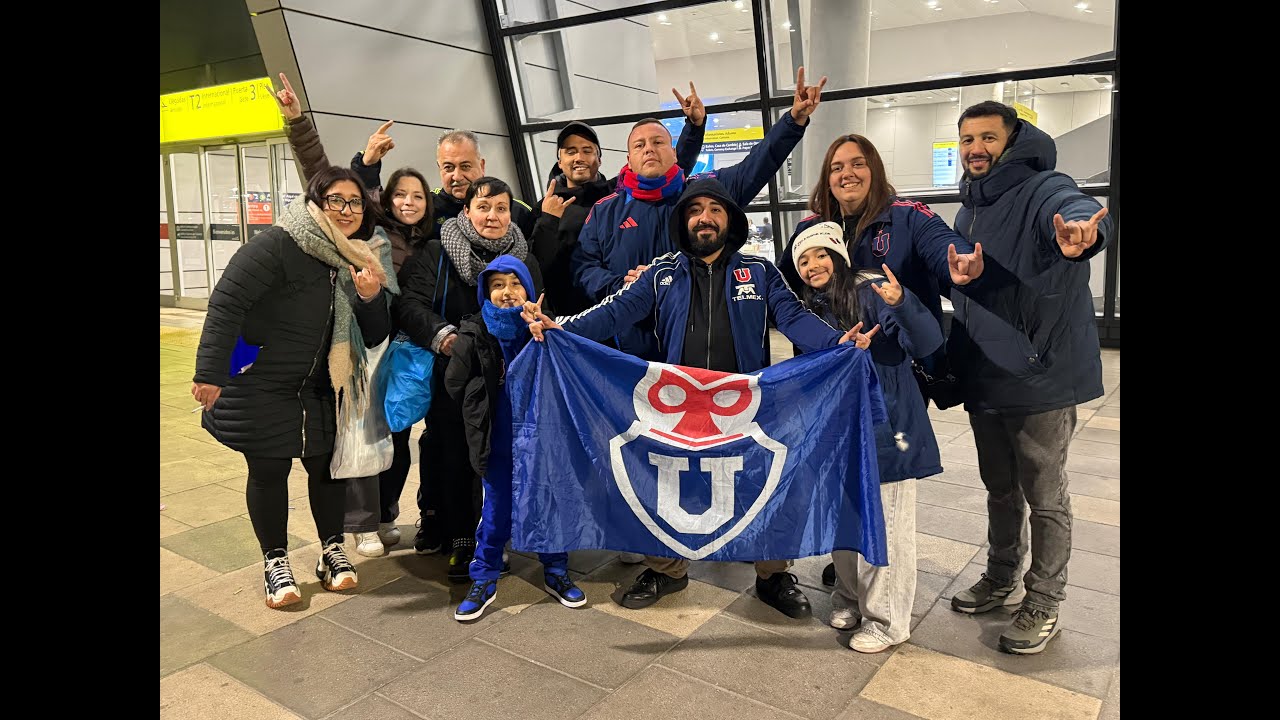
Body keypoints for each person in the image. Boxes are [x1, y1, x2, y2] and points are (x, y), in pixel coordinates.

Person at [524, 177, 871, 619]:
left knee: (764, 485)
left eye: (715, 209)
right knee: (666, 488)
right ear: (682, 220)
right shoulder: (660, 273)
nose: (704, 217)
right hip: (676, 408)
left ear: (731, 220)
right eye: (694, 210)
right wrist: (559, 327)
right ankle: (667, 569)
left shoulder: (760, 272)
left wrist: (838, 343)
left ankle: (773, 575)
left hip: (746, 406)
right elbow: (612, 311)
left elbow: (794, 318)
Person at [943, 101, 1112, 655]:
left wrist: (1084, 236)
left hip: (1039, 373)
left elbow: (1072, 206)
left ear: (1013, 141)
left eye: (987, 138)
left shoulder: (1044, 186)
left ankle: (1045, 598)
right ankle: (1000, 576)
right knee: (999, 489)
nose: (975, 149)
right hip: (987, 371)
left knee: (1045, 494)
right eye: (967, 139)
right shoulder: (969, 207)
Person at [191, 166, 395, 608]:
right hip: (262, 382)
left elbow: (376, 333)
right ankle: (275, 561)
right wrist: (210, 372)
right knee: (268, 472)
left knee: (326, 471)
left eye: (355, 202)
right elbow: (227, 303)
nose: (346, 210)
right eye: (336, 200)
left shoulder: (359, 257)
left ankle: (331, 551)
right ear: (317, 202)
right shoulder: (278, 245)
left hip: (324, 385)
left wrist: (370, 298)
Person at [273, 72, 434, 558]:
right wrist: (300, 124)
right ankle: (357, 525)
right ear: (384, 201)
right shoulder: (371, 229)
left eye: (418, 196)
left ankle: (384, 515)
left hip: (398, 349)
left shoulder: (434, 236)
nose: (407, 202)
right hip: (352, 345)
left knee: (392, 439)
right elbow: (327, 180)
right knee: (351, 436)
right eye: (399, 194)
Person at [570, 67, 828, 360]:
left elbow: (757, 165)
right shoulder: (606, 211)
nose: (649, 149)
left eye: (658, 142)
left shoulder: (704, 192)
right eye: (639, 145)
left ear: (674, 152)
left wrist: (793, 121)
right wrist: (620, 286)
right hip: (633, 353)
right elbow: (583, 269)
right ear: (629, 158)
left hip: (700, 350)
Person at [790, 222, 942, 653]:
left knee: (886, 526)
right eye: (803, 260)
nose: (812, 265)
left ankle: (888, 620)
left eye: (820, 255)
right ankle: (850, 597)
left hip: (887, 428)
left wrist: (904, 302)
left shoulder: (871, 289)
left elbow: (926, 341)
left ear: (838, 255)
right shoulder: (810, 308)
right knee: (845, 518)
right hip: (840, 431)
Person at [396, 176, 545, 581]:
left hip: (507, 376)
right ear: (467, 211)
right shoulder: (436, 250)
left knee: (501, 457)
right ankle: (461, 537)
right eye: (484, 207)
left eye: (501, 208)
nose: (492, 216)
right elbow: (410, 304)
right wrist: (443, 337)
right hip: (454, 374)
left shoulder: (524, 258)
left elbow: (538, 307)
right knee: (455, 454)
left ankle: (500, 534)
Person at [445, 256, 588, 621]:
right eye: (497, 285)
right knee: (496, 510)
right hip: (498, 440)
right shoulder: (474, 333)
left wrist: (543, 335)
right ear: (484, 293)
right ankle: (484, 577)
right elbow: (455, 384)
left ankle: (556, 570)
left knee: (549, 501)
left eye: (515, 283)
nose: (507, 293)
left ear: (529, 288)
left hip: (543, 439)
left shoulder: (546, 328)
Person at [779, 133, 985, 375]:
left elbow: (941, 243)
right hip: (833, 367)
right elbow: (782, 289)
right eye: (837, 168)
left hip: (899, 370)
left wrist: (960, 261)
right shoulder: (810, 229)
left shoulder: (907, 217)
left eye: (858, 164)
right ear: (827, 178)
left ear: (874, 170)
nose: (847, 173)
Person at [532, 98, 706, 317]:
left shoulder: (616, 193)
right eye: (570, 151)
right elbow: (537, 264)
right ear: (559, 160)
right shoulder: (544, 207)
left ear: (599, 159)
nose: (579, 158)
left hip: (617, 308)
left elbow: (669, 166)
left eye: (587, 150)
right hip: (570, 312)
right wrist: (548, 220)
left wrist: (694, 127)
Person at [353, 129, 536, 242]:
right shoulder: (425, 207)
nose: (457, 176)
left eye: (465, 166)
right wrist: (367, 166)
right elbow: (374, 213)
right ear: (440, 168)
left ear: (481, 166)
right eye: (448, 167)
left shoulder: (516, 210)